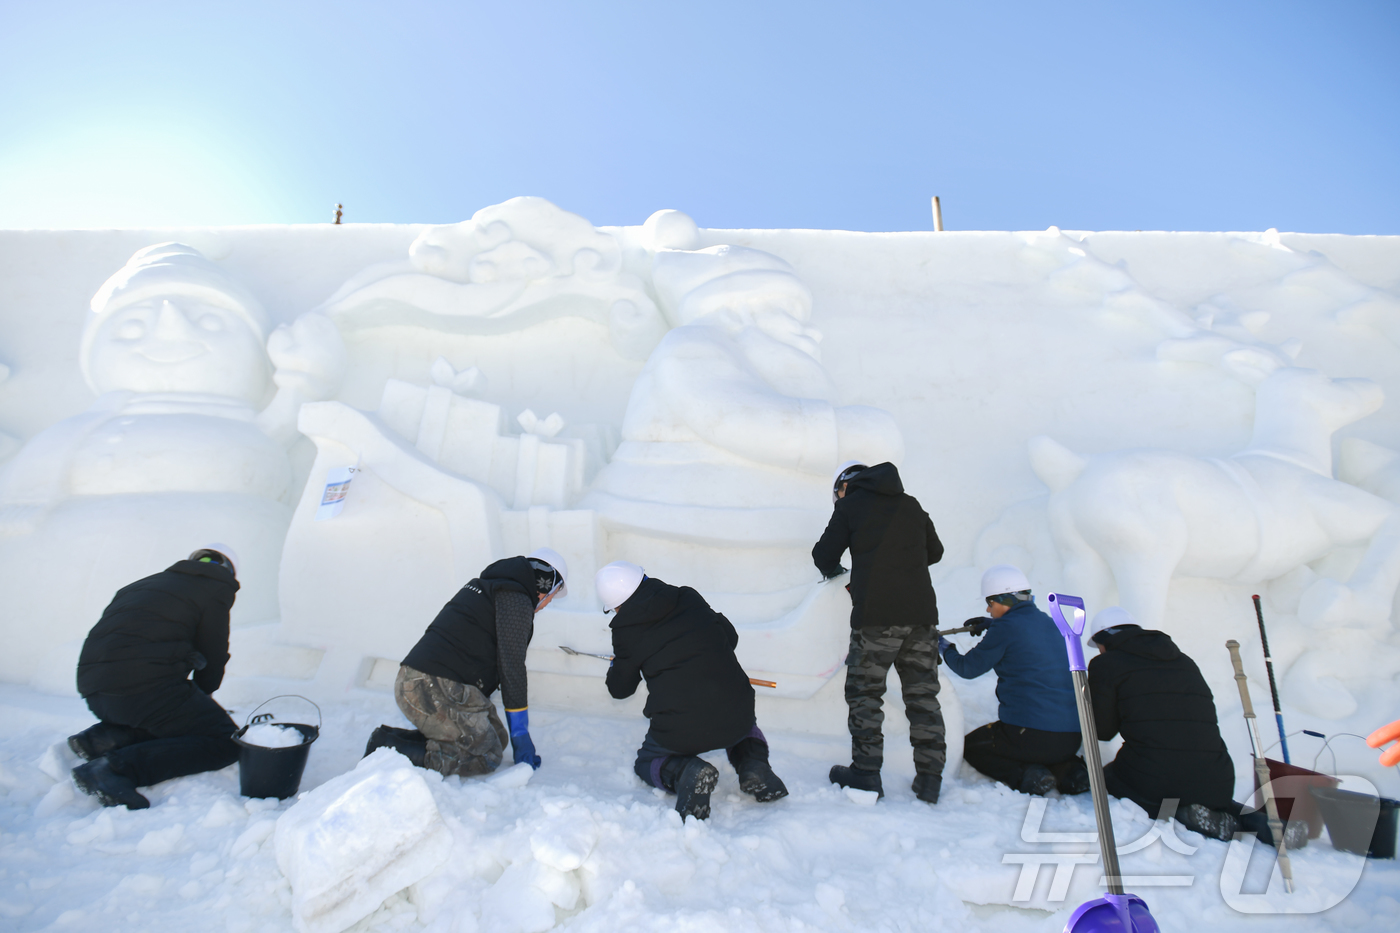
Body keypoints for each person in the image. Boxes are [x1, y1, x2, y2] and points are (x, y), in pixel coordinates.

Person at [1087, 607, 1305, 847]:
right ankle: (1265, 824)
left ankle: (1186, 815)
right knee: (1205, 793)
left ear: (1104, 640)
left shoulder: (1105, 664)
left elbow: (1102, 731)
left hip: (1158, 779)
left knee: (1108, 778)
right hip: (1218, 778)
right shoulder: (1183, 661)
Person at [596, 560, 788, 820]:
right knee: (742, 728)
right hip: (736, 710)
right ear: (644, 578)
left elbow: (619, 690)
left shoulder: (626, 634)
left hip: (680, 729)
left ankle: (685, 772)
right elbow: (729, 637)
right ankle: (753, 764)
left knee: (645, 763)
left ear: (617, 606)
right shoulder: (687, 597)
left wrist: (621, 664)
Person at [67, 546, 244, 810]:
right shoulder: (215, 587)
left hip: (94, 688)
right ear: (227, 571)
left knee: (169, 719)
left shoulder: (141, 585)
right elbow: (214, 652)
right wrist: (203, 693)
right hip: (141, 689)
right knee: (225, 741)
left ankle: (102, 739)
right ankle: (112, 770)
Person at [366, 548, 567, 777]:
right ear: (545, 585)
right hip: (431, 686)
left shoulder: (492, 588)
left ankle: (403, 741)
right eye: (552, 596)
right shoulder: (516, 598)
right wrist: (520, 733)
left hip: (429, 681)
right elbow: (511, 667)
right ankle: (384, 749)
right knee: (485, 755)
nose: (548, 603)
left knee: (496, 738)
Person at [812, 460, 946, 803]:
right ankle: (929, 780)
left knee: (865, 695)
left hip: (877, 618)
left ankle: (867, 774)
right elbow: (936, 551)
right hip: (921, 618)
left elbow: (824, 553)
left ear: (847, 486)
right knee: (923, 698)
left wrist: (842, 570)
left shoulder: (850, 506)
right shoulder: (911, 504)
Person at [941, 565, 1087, 797]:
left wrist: (944, 647)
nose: (988, 610)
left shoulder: (1005, 628)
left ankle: (1029, 776)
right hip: (1071, 738)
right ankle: (1070, 772)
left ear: (1005, 600)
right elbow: (1022, 633)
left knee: (972, 747)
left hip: (1030, 735)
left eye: (990, 603)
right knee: (1044, 749)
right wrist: (991, 625)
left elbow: (967, 668)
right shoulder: (1051, 624)